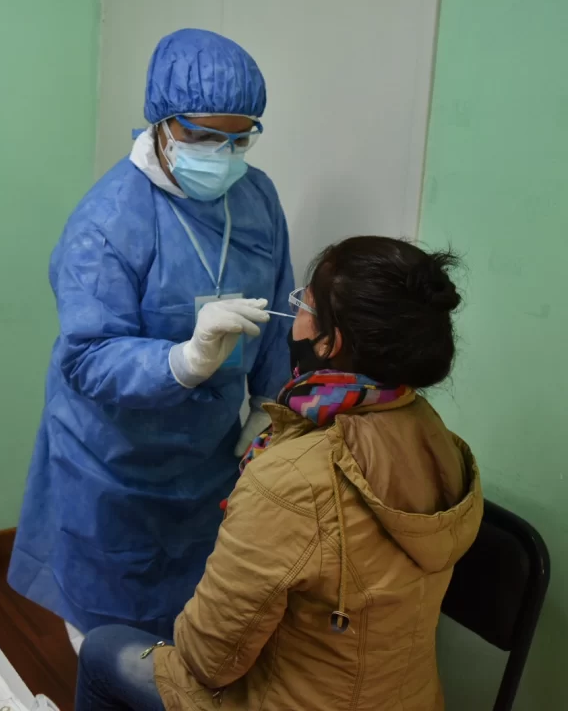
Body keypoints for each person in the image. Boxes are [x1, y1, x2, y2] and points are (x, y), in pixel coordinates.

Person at [74, 236, 484, 711]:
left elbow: (208, 661)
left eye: (304, 305)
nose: (295, 318)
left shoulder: (291, 480)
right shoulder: (437, 438)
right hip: (406, 698)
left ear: (331, 342)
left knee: (104, 649)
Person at [8, 28, 295, 648]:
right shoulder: (108, 220)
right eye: (202, 135)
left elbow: (278, 317)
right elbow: (88, 357)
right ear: (161, 125)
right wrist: (185, 361)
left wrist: (274, 412)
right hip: (112, 468)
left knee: (191, 628)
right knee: (108, 645)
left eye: (238, 137)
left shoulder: (257, 199)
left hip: (210, 461)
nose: (222, 153)